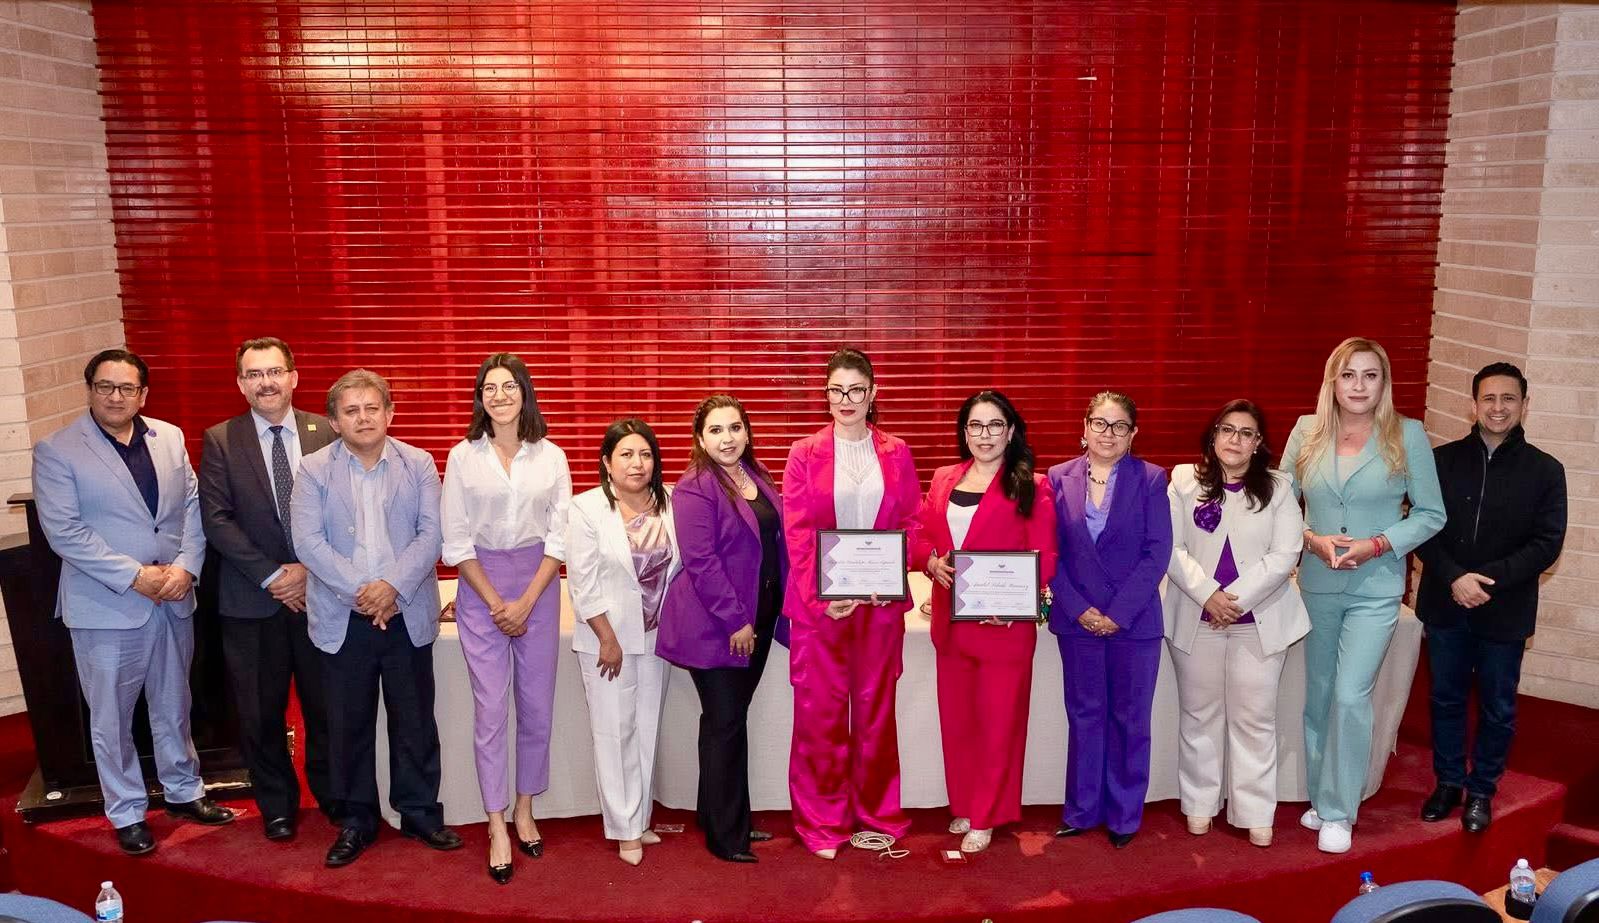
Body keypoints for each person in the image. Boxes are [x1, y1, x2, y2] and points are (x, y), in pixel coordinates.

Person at [32, 348, 235, 855]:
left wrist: (187, 567)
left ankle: (184, 791)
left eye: (126, 388)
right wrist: (135, 576)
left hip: (173, 597)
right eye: (105, 386)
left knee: (174, 705)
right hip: (107, 606)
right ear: (90, 390)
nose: (115, 397)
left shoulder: (168, 437)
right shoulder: (57, 450)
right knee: (112, 718)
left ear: (143, 394)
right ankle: (125, 811)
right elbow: (65, 532)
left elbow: (192, 507)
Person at [291, 369, 461, 867]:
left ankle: (420, 813)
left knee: (415, 721)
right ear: (334, 421)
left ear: (389, 413)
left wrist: (391, 588)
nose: (363, 418)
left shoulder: (419, 463)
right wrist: (363, 594)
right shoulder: (313, 470)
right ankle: (356, 820)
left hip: (406, 612)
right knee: (348, 725)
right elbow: (308, 542)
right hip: (344, 618)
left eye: (372, 408)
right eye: (351, 411)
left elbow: (431, 534)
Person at [1283, 337, 1445, 854]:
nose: (1358, 385)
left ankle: (1339, 811)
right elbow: (1278, 503)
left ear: (1384, 383)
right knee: (1320, 694)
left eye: (1370, 375)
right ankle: (1321, 795)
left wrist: (1377, 545)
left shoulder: (1407, 434)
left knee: (1352, 695)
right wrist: (1310, 539)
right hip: (1317, 582)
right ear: (1333, 381)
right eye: (1349, 375)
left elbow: (1432, 513)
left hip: (1376, 587)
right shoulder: (1306, 430)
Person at [781, 348, 921, 860]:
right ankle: (822, 822)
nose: (846, 399)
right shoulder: (804, 453)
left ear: (872, 393)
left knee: (875, 713)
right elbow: (798, 534)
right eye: (837, 390)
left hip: (879, 607)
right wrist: (823, 598)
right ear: (826, 393)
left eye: (856, 390)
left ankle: (877, 813)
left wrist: (892, 574)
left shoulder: (897, 452)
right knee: (819, 717)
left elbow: (910, 521)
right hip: (820, 610)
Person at [1415, 362, 1566, 833]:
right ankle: (1448, 783)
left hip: (1505, 610)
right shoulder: (1440, 461)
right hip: (1446, 602)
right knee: (1445, 698)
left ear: (1524, 404)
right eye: (1489, 398)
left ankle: (1481, 791)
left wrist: (1485, 580)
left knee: (1498, 707)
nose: (1498, 408)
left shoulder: (1546, 470)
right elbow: (1420, 528)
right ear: (1473, 404)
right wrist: (1455, 578)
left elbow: (1547, 543)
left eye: (1508, 399)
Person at [198, 337, 337, 842]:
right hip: (251, 601)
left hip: (322, 595)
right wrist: (276, 576)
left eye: (275, 371)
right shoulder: (220, 439)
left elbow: (344, 511)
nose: (266, 383)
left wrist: (309, 570)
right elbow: (217, 520)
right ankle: (277, 805)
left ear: (293, 377)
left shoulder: (327, 431)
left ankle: (334, 796)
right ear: (241, 384)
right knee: (260, 713)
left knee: (328, 706)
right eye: (254, 375)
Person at [440, 353, 571, 883]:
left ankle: (524, 807)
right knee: (491, 711)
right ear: (480, 398)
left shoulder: (552, 456)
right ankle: (495, 822)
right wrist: (497, 601)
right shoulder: (462, 456)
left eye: (509, 386)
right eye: (489, 387)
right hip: (481, 587)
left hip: (539, 584)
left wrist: (527, 600)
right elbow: (455, 539)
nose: (499, 395)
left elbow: (560, 537)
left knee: (536, 707)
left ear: (525, 393)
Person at [911, 390, 1057, 854]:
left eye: (995, 425)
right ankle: (965, 803)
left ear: (1010, 431)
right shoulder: (943, 478)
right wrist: (929, 561)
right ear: (964, 432)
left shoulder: (1033, 485)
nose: (985, 434)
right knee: (958, 724)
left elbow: (1046, 555)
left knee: (998, 726)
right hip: (951, 625)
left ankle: (988, 813)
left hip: (1002, 627)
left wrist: (1017, 602)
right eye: (975, 425)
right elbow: (921, 535)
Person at [1163, 400, 1310, 848]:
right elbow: (1170, 548)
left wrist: (1233, 601)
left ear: (1258, 443)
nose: (1235, 440)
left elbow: (1285, 554)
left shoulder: (1279, 487)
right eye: (1227, 430)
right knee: (1199, 714)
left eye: (1246, 433)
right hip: (1197, 616)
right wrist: (1208, 595)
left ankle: (1255, 812)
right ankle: (1199, 805)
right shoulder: (1183, 480)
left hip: (1258, 622)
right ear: (1213, 436)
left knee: (1255, 719)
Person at [655, 395, 788, 863]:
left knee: (728, 722)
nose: (727, 438)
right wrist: (737, 620)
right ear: (700, 438)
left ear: (747, 432)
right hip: (719, 624)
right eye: (716, 430)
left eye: (735, 428)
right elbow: (702, 562)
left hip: (760, 615)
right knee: (724, 723)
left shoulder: (756, 474)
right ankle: (726, 837)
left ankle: (723, 817)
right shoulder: (694, 487)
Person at [1048, 391, 1172, 849]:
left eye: (1120, 426)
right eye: (1100, 423)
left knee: (1130, 719)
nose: (1108, 433)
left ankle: (1123, 815)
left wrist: (1117, 614)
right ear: (1084, 428)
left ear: (1133, 434)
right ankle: (1082, 810)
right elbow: (1049, 552)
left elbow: (1157, 552)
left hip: (1134, 623)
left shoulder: (1152, 479)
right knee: (1085, 716)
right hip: (1076, 620)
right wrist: (1079, 608)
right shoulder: (1057, 478)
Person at [565, 418, 677, 866]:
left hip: (657, 638)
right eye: (626, 454)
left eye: (645, 454)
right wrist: (606, 637)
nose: (637, 463)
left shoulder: (670, 504)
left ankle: (641, 818)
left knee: (646, 729)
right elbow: (582, 581)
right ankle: (625, 830)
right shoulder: (587, 508)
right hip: (606, 641)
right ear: (607, 462)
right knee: (615, 734)